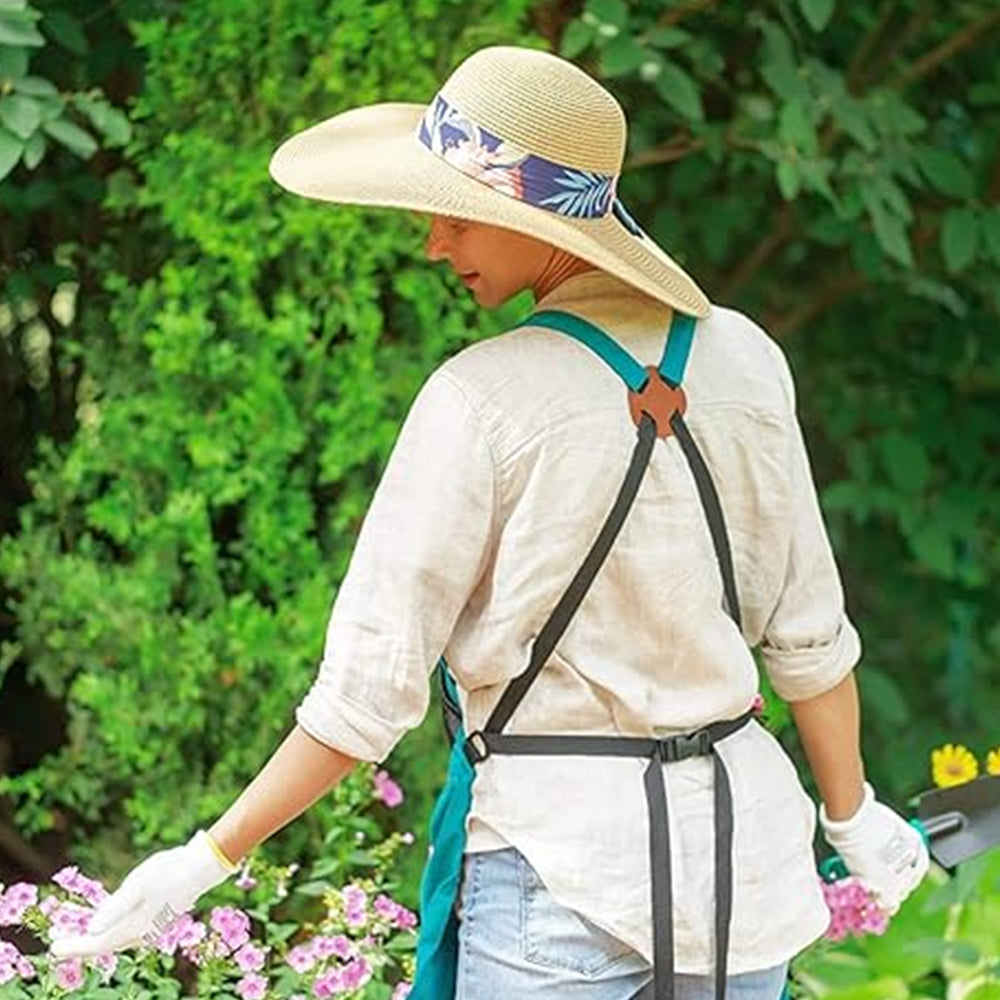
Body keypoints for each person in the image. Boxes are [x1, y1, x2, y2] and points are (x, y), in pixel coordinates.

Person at [52, 45, 928, 1000]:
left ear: (543, 224)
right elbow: (808, 640)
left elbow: (366, 696)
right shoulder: (748, 361)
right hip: (738, 884)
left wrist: (207, 856)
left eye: (454, 214)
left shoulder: (481, 400)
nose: (434, 243)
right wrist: (852, 816)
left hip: (558, 881)